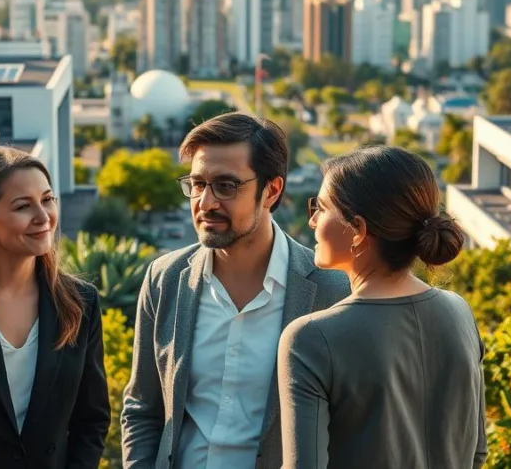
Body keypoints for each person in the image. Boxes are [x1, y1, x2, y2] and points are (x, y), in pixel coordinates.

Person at [121, 112, 350, 469]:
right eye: (198, 184)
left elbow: (346, 428)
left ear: (272, 190)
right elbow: (142, 409)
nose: (205, 202)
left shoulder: (331, 291)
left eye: (226, 186)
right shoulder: (165, 279)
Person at [278, 144, 487, 469]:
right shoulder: (459, 312)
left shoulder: (311, 338)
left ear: (358, 230)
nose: (313, 221)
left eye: (321, 208)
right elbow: (477, 453)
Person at [0, 146, 110, 469]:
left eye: (47, 199)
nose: (43, 217)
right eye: (23, 206)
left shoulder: (80, 302)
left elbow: (91, 419)